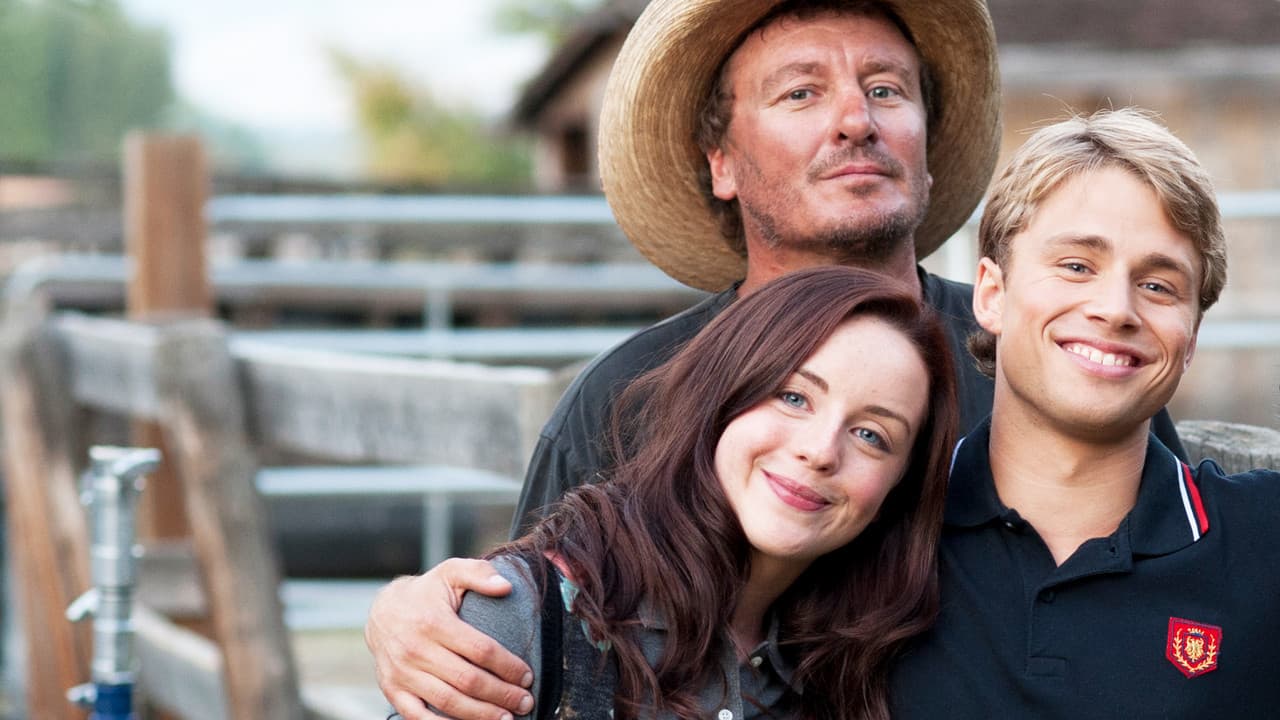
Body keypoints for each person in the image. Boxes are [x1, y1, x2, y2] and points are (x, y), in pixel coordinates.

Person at [365, 1, 1183, 716]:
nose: (856, 119)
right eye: (801, 93)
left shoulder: (1050, 361)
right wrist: (424, 615)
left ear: (928, 151)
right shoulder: (627, 397)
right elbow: (538, 621)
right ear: (720, 161)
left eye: (886, 89)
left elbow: (1177, 590)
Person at [417, 266, 958, 720]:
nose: (821, 451)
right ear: (721, 396)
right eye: (794, 397)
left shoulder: (867, 669)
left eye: (871, 435)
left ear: (898, 488)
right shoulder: (524, 615)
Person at [887, 108, 1280, 718]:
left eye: (1158, 285)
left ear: (1192, 338)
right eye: (1076, 266)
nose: (1116, 308)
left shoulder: (1266, 541)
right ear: (992, 293)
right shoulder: (877, 530)